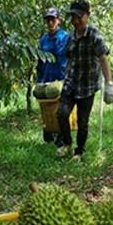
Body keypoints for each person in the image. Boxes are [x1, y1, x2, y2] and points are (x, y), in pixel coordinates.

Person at [55, 0, 113, 160]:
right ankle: (67, 143)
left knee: (83, 121)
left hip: (87, 86)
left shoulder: (95, 36)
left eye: (79, 17)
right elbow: (69, 59)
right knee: (61, 113)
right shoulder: (71, 37)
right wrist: (64, 78)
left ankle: (79, 151)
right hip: (71, 83)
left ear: (88, 15)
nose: (76, 21)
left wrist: (109, 84)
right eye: (73, 17)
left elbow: (103, 60)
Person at [36, 7, 69, 143]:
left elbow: (69, 59)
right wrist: (39, 79)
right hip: (46, 78)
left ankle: (61, 138)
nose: (50, 23)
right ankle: (49, 136)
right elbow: (40, 60)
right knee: (47, 108)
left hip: (61, 78)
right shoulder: (43, 40)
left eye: (53, 20)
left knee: (60, 110)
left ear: (58, 20)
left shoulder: (65, 37)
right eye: (48, 20)